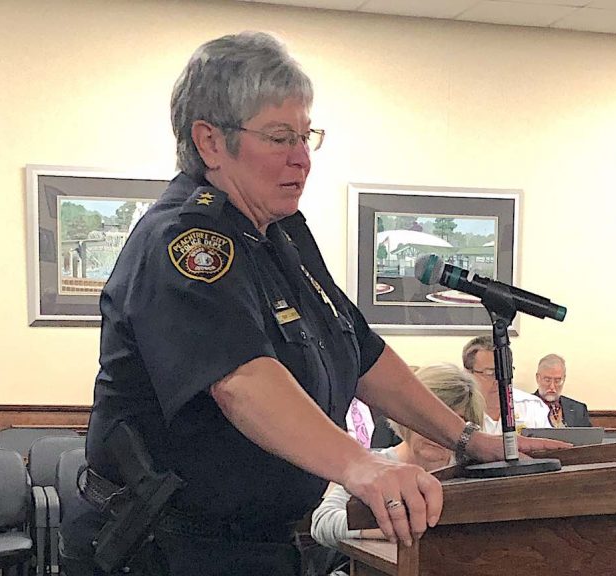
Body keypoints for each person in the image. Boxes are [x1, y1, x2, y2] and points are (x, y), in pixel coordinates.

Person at [60, 32, 567, 576]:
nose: (302, 159)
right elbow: (241, 382)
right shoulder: (187, 241)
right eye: (279, 138)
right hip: (169, 548)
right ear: (210, 141)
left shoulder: (278, 234)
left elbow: (362, 351)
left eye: (306, 136)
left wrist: (466, 438)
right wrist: (364, 467)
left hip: (261, 544)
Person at [310, 363, 486, 549]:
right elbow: (322, 522)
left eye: (455, 423)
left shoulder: (469, 472)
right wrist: (388, 529)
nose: (437, 433)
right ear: (406, 415)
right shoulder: (375, 464)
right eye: (428, 419)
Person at [462, 336, 551, 434]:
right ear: (468, 374)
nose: (499, 380)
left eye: (506, 373)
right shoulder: (457, 410)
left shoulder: (532, 408)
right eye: (490, 373)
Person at [534, 354, 592, 427]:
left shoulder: (579, 410)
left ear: (564, 379)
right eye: (547, 380)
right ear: (537, 378)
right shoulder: (524, 407)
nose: (552, 386)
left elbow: (588, 437)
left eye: (557, 381)